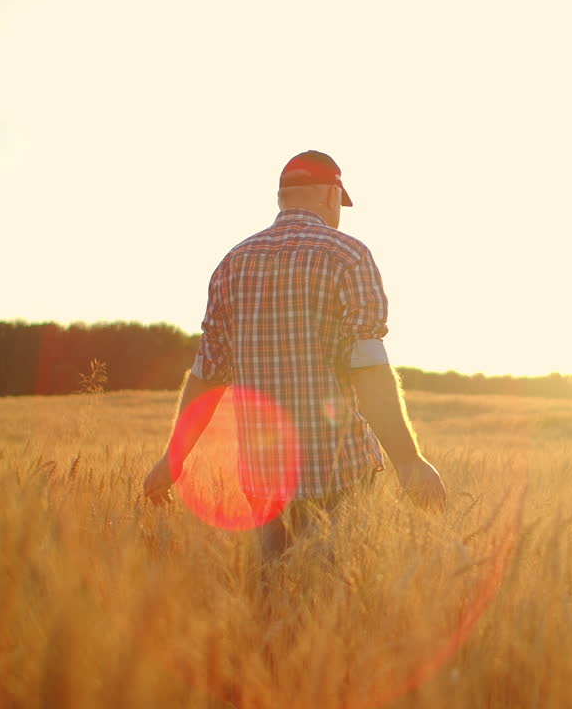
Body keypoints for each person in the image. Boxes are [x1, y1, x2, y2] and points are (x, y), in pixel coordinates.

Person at [143, 150, 446, 559]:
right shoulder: (348, 256)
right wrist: (408, 462)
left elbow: (207, 375)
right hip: (339, 475)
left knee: (271, 601)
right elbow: (369, 366)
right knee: (334, 605)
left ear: (283, 198)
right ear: (330, 195)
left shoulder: (232, 264)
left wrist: (172, 460)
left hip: (264, 482)